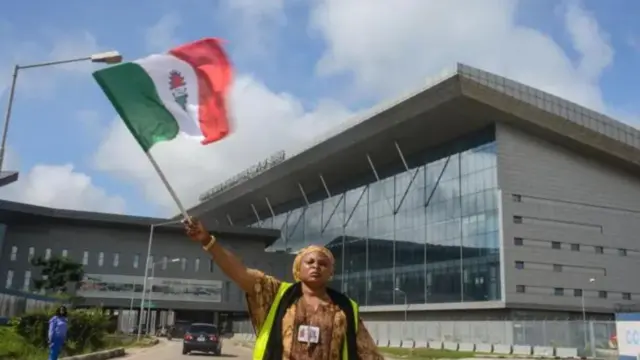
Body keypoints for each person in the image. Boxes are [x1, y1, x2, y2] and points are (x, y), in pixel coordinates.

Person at [185, 218, 384, 360]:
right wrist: (207, 241)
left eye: (323, 263)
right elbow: (240, 272)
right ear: (298, 268)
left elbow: (369, 355)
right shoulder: (274, 293)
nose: (316, 266)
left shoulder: (346, 308)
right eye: (310, 262)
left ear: (331, 272)